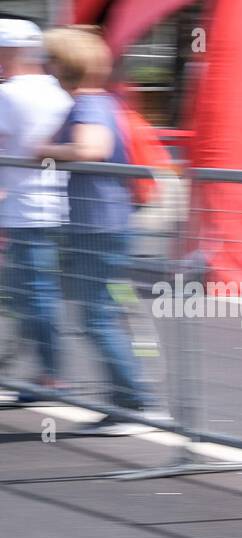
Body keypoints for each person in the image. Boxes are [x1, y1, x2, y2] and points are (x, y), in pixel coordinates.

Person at [37, 26, 158, 421]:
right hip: (103, 220)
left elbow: (93, 149)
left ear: (65, 64)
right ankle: (129, 397)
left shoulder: (88, 104)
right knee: (97, 313)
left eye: (50, 59)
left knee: (95, 316)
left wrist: (45, 151)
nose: (45, 66)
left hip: (98, 223)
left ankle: (130, 400)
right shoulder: (99, 101)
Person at [0, 19, 72, 397]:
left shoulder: (9, 94)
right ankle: (44, 374)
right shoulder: (58, 90)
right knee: (35, 292)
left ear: (10, 52)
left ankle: (50, 377)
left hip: (24, 210)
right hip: (57, 207)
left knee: (33, 293)